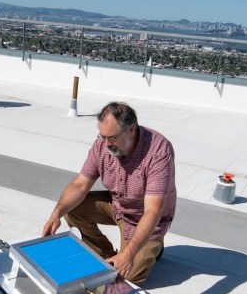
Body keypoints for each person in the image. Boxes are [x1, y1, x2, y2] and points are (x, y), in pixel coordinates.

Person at [42, 102, 176, 284]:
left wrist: (129, 254)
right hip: (118, 206)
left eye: (112, 138)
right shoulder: (102, 145)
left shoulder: (159, 151)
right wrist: (56, 214)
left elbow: (153, 211)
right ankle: (105, 255)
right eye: (102, 136)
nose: (105, 144)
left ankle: (152, 246)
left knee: (126, 278)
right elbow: (80, 184)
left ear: (131, 130)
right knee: (72, 208)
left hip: (144, 216)